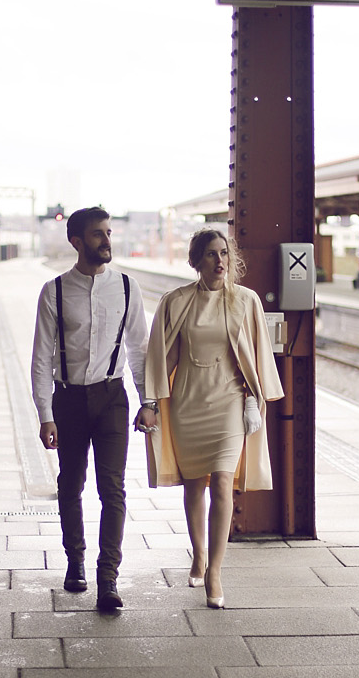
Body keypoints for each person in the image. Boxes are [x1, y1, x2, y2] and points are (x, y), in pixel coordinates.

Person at [144, 228, 283, 608]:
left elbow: (258, 355)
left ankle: (216, 570)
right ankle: (199, 553)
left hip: (229, 404)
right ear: (195, 261)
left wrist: (254, 400)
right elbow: (163, 357)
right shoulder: (176, 302)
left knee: (223, 482)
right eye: (210, 254)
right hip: (189, 404)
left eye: (224, 253)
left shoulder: (245, 300)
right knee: (195, 485)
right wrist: (151, 402)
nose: (219, 261)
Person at [32, 207, 158, 613]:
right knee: (70, 485)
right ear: (77, 241)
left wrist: (148, 402)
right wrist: (44, 414)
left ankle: (108, 579)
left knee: (113, 488)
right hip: (68, 399)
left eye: (108, 232)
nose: (107, 240)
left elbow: (140, 349)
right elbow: (40, 358)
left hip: (111, 398)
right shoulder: (53, 291)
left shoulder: (126, 287)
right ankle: (75, 562)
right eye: (98, 234)